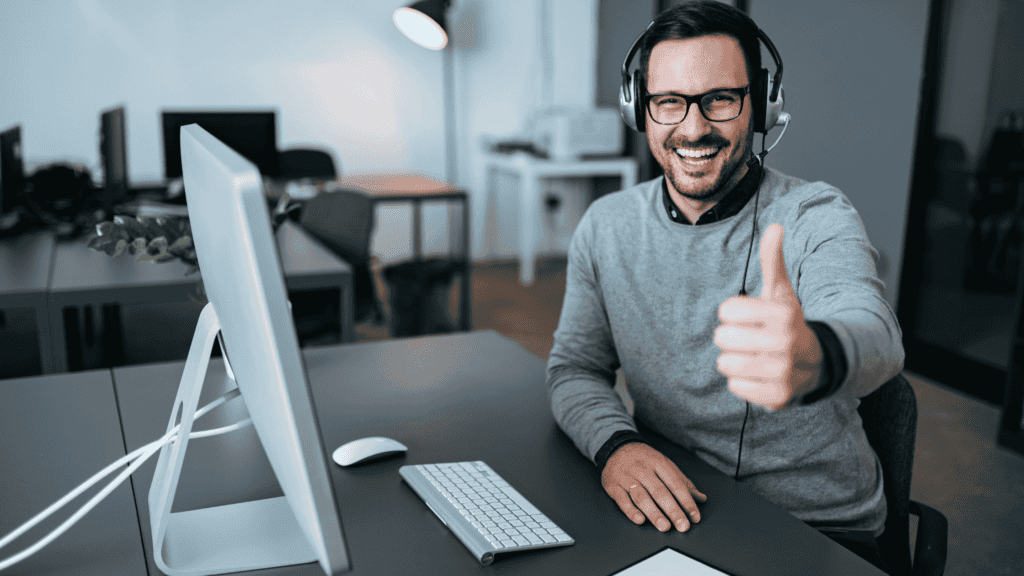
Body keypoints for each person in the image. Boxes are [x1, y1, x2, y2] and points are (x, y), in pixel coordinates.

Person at [546, 1, 903, 571]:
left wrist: (818, 352)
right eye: (669, 102)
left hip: (816, 529)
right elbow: (575, 367)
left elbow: (878, 334)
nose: (693, 128)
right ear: (640, 110)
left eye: (719, 99)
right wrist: (617, 445)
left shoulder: (816, 214)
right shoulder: (606, 226)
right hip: (676, 508)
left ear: (761, 106)